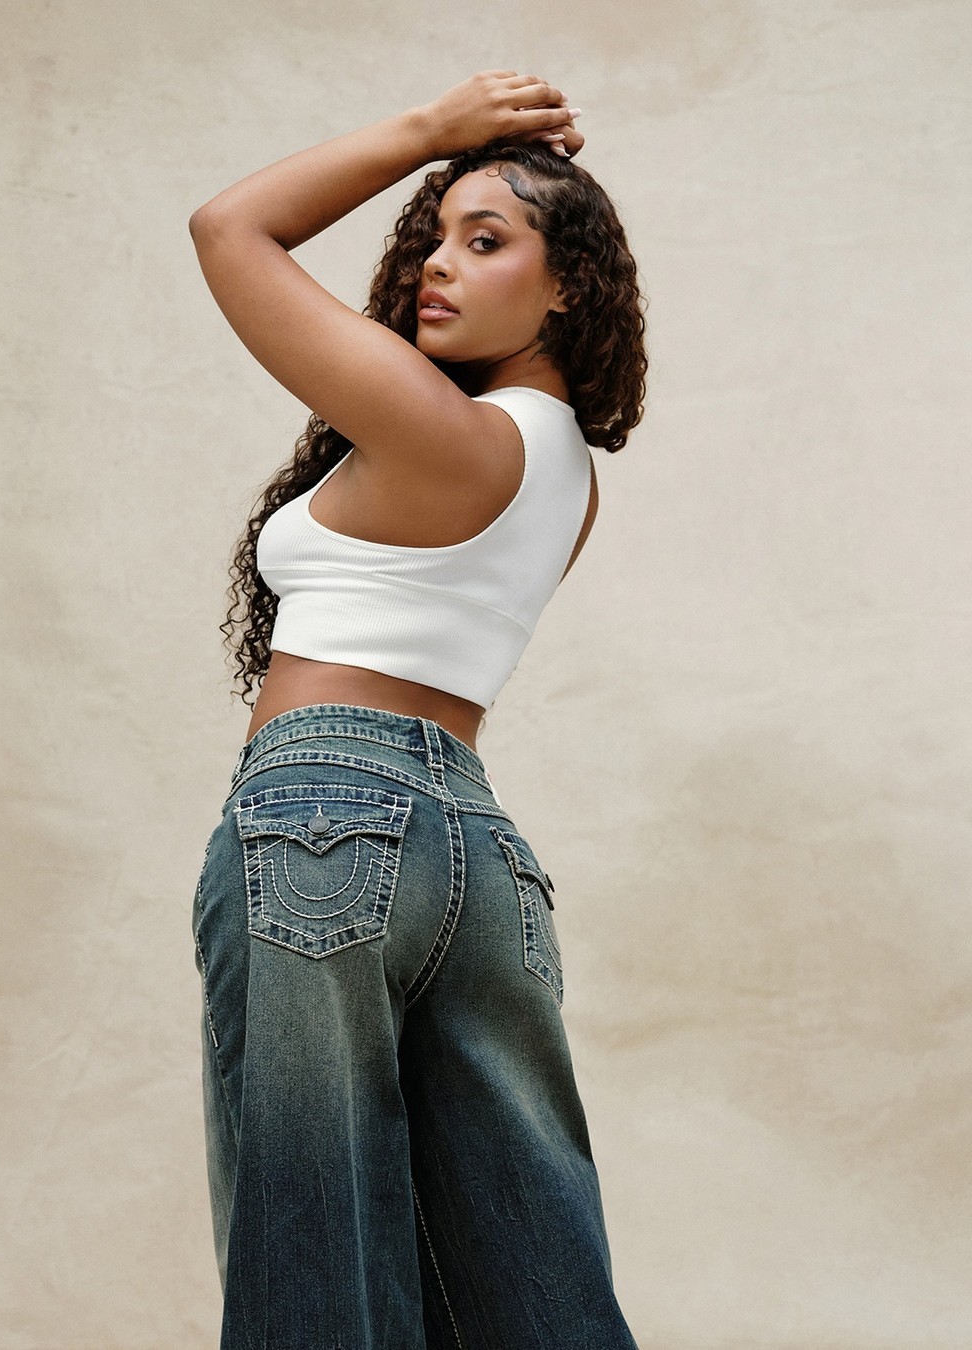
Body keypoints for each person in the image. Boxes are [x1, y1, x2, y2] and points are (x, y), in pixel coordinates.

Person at [189, 71, 646, 1349]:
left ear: (570, 286)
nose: (436, 266)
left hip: (317, 819)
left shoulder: (444, 434)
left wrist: (429, 136)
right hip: (479, 855)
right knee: (525, 1267)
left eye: (484, 239)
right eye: (432, 238)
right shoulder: (563, 474)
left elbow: (230, 229)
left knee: (312, 1253)